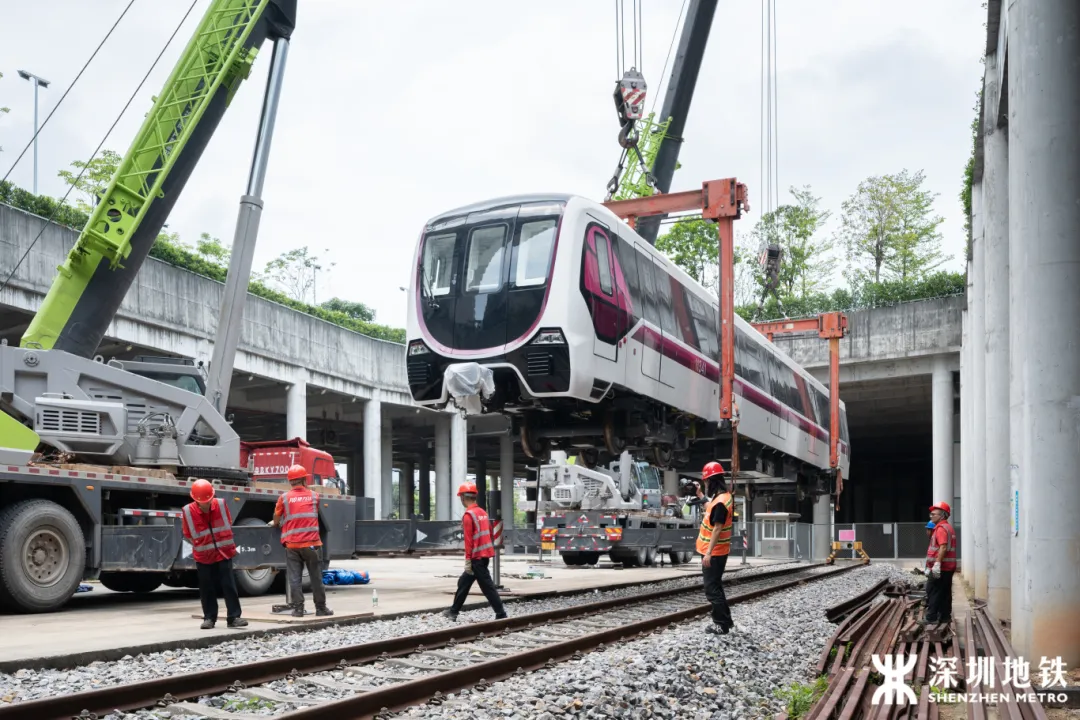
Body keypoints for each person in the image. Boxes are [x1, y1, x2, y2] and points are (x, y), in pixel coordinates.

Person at [181, 479, 248, 630]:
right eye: (203, 502)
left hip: (223, 553)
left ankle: (234, 617)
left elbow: (228, 522)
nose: (207, 504)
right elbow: (187, 533)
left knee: (229, 585)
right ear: (195, 500)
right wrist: (203, 544)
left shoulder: (221, 505)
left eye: (209, 500)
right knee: (207, 587)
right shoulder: (187, 511)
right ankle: (209, 618)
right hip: (204, 556)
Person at [268, 464, 333, 617]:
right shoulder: (314, 496)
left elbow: (276, 517)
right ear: (304, 479)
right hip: (312, 544)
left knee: (294, 578)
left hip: (292, 545)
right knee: (316, 577)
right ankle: (321, 608)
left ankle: (298, 609)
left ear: (290, 482)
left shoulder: (283, 498)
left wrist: (275, 523)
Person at [442, 482, 507, 621]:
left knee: (488, 587)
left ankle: (501, 614)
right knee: (463, 582)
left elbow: (468, 541)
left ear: (463, 498)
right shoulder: (483, 513)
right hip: (484, 555)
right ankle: (453, 612)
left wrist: (468, 560)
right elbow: (489, 533)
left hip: (476, 558)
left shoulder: (468, 515)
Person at [695, 461, 734, 635]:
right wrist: (700, 495)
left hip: (714, 552)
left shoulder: (720, 502)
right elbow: (710, 510)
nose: (706, 484)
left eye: (706, 482)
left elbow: (717, 528)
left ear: (712, 481)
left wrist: (708, 553)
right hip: (718, 551)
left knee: (712, 589)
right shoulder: (723, 498)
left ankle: (721, 624)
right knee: (716, 586)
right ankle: (726, 620)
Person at [924, 501, 957, 625]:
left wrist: (936, 565)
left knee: (933, 590)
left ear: (942, 515)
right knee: (945, 592)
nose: (931, 516)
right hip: (947, 567)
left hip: (942, 567)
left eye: (933, 514)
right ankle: (945, 616)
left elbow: (942, 548)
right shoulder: (948, 527)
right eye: (931, 514)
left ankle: (931, 618)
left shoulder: (941, 529)